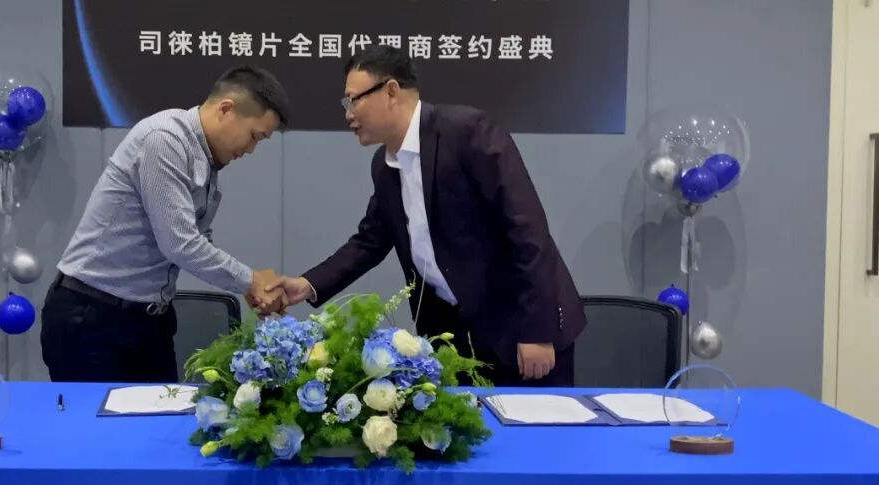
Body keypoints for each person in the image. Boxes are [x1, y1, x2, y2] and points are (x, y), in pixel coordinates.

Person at [266, 46, 585, 386]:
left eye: (353, 100)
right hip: (454, 341)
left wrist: (536, 331)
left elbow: (527, 231)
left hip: (520, 331)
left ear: (391, 91)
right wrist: (307, 285)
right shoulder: (384, 166)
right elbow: (369, 242)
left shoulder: (467, 132)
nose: (348, 114)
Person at [41, 66, 290, 383]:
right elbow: (180, 244)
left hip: (149, 321)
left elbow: (195, 238)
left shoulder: (205, 158)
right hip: (92, 318)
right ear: (226, 109)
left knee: (163, 414)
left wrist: (248, 286)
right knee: (99, 418)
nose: (252, 149)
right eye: (254, 136)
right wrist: (250, 280)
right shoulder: (164, 139)